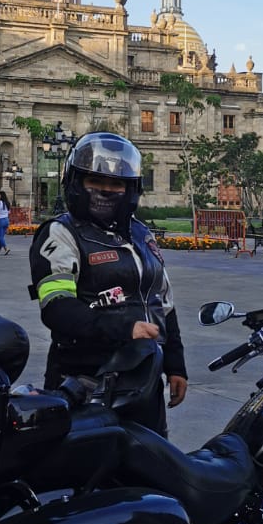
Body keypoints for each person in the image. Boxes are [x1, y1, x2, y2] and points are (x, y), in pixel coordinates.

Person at [28, 132, 188, 436]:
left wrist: (176, 366)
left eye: (116, 184)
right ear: (76, 183)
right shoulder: (61, 234)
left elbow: (164, 304)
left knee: (152, 466)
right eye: (94, 181)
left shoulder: (142, 234)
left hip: (143, 378)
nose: (105, 190)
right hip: (86, 381)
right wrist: (124, 328)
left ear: (130, 189)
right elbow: (57, 307)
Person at [0, 189, 11, 255]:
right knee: (1, 236)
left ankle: (6, 248)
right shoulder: (7, 203)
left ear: (1, 196)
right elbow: (9, 211)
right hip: (6, 219)